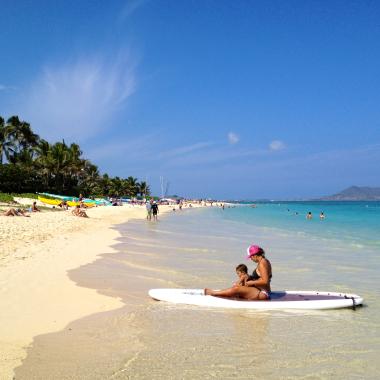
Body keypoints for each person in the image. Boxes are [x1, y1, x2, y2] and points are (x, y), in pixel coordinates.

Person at [205, 245, 272, 300]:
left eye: (251, 257)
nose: (251, 259)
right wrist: (250, 277)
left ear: (254, 255)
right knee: (240, 285)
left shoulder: (262, 264)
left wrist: (251, 282)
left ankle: (214, 293)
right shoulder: (264, 261)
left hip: (262, 293)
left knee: (236, 289)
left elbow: (265, 281)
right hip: (261, 291)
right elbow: (262, 278)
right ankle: (230, 293)